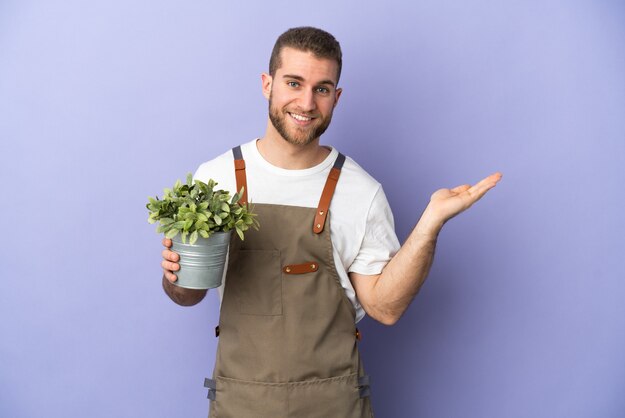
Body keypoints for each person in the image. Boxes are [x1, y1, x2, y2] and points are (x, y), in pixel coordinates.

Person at [160, 26, 502, 418]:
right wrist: (175, 277)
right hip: (241, 403)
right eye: (294, 83)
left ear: (336, 97)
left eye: (322, 89)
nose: (306, 103)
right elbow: (188, 294)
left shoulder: (361, 191)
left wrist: (430, 224)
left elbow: (385, 308)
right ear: (266, 84)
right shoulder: (214, 180)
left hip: (334, 406)